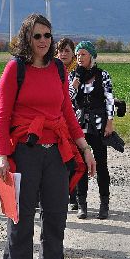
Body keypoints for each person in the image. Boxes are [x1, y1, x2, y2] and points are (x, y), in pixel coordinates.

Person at [0, 14, 96, 259]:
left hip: (55, 153)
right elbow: (2, 115)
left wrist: (85, 148)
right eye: (37, 35)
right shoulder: (15, 68)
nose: (43, 41)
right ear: (27, 37)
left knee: (55, 218)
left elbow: (66, 112)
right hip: (24, 152)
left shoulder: (59, 69)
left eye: (47, 35)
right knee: (20, 219)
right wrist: (2, 155)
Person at [69, 41, 116, 219]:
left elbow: (109, 99)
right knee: (81, 165)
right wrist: (76, 81)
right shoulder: (73, 75)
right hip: (79, 125)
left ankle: (104, 203)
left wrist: (109, 122)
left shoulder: (102, 75)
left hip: (98, 125)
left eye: (83, 54)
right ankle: (82, 204)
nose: (80, 58)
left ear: (92, 56)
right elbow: (67, 99)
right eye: (78, 55)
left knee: (101, 165)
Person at [55, 37, 79, 210]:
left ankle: (73, 196)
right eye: (60, 51)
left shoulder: (79, 72)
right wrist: (72, 88)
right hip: (55, 121)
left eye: (67, 51)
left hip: (73, 121)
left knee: (72, 159)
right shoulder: (52, 69)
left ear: (73, 54)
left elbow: (68, 99)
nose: (63, 54)